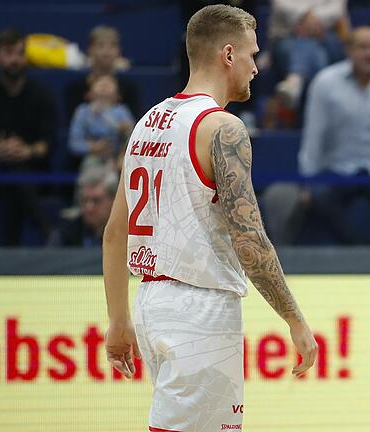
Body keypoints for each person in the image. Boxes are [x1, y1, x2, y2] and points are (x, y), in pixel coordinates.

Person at [102, 5, 318, 432]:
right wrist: (295, 319)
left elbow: (114, 233)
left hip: (151, 303)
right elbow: (250, 239)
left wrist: (118, 320)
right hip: (198, 306)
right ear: (228, 54)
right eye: (252, 55)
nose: (257, 67)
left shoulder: (147, 122)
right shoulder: (222, 128)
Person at [265, 27, 370, 245]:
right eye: (363, 48)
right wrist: (308, 183)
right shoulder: (325, 82)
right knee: (317, 198)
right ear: (349, 51)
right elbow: (314, 139)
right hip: (336, 175)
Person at [0, 28, 56, 245]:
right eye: (8, 53)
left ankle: (8, 254)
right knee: (11, 174)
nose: (15, 60)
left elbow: (48, 144)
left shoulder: (41, 94)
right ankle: (47, 232)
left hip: (34, 170)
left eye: (19, 53)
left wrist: (26, 150)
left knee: (16, 175)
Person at [269, 0, 349, 109]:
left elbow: (336, 10)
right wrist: (304, 15)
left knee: (314, 45)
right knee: (311, 48)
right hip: (287, 37)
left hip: (326, 37)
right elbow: (281, 5)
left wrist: (312, 20)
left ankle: (295, 81)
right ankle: (324, 97)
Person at [65, 26, 139, 123]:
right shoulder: (75, 89)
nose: (106, 52)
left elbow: (134, 125)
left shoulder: (129, 89)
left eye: (112, 46)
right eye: (100, 46)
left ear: (119, 51)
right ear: (90, 50)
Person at [68, 74, 134, 171]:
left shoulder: (122, 111)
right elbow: (74, 143)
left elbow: (133, 139)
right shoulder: (83, 111)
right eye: (100, 84)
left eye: (109, 84)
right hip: (91, 161)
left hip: (117, 159)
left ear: (117, 95)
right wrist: (93, 147)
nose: (104, 86)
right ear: (89, 93)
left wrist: (125, 131)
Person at [48, 165, 118, 247]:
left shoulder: (126, 233)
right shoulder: (66, 234)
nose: (89, 207)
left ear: (113, 200)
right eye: (85, 200)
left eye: (96, 200)